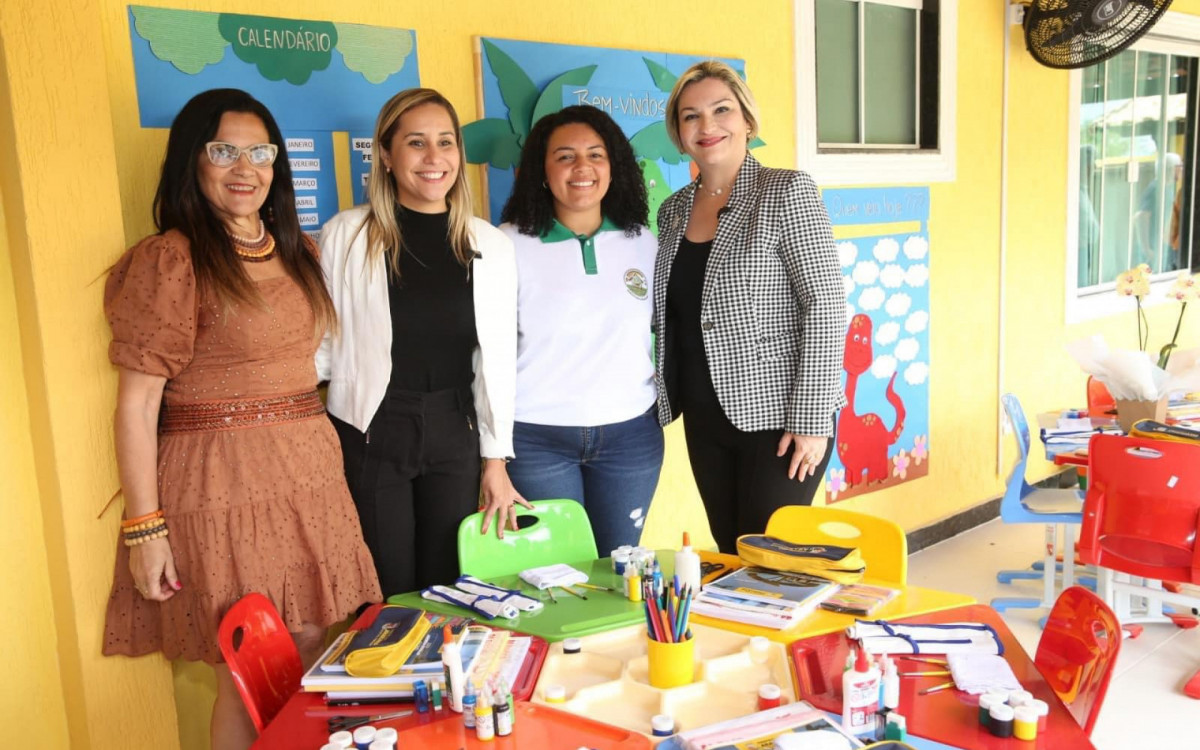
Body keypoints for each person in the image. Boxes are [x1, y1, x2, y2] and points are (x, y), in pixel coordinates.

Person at [101, 88, 381, 750]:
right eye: (223, 150)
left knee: (317, 641)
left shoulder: (296, 251)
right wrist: (145, 530)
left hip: (309, 470)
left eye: (261, 152)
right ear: (192, 163)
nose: (244, 168)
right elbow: (138, 402)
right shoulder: (172, 258)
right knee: (251, 660)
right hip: (221, 480)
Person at [317, 88, 525, 598]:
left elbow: (495, 362)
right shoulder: (346, 235)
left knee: (447, 587)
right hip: (370, 428)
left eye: (446, 142)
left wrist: (494, 461)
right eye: (416, 143)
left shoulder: (490, 246)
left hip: (456, 433)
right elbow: (319, 345)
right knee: (384, 588)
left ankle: (436, 678)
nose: (435, 159)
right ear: (386, 156)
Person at [653, 61, 847, 553]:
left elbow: (824, 306)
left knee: (769, 557)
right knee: (729, 550)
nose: (707, 125)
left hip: (781, 420)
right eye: (691, 116)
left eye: (722, 110)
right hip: (703, 414)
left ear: (747, 120)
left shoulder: (786, 191)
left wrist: (811, 418)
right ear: (678, 132)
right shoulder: (673, 210)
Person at [498, 106, 663, 553]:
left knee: (619, 568)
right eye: (565, 156)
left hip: (630, 437)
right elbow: (484, 352)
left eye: (596, 154)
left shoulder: (643, 243)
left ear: (614, 167)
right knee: (555, 575)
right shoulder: (505, 244)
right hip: (535, 439)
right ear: (541, 170)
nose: (582, 168)